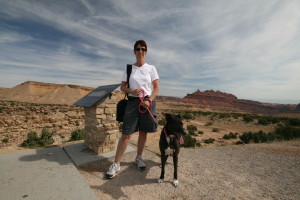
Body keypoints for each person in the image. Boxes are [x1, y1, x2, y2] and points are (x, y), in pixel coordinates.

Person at [106, 40, 159, 179]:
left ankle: (139, 157)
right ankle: (116, 163)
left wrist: (149, 100)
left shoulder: (151, 68)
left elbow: (156, 88)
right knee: (126, 134)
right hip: (133, 102)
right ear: (134, 51)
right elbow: (122, 87)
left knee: (143, 132)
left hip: (147, 102)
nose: (140, 51)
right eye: (138, 49)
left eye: (143, 49)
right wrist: (132, 91)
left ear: (146, 51)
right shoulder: (129, 68)